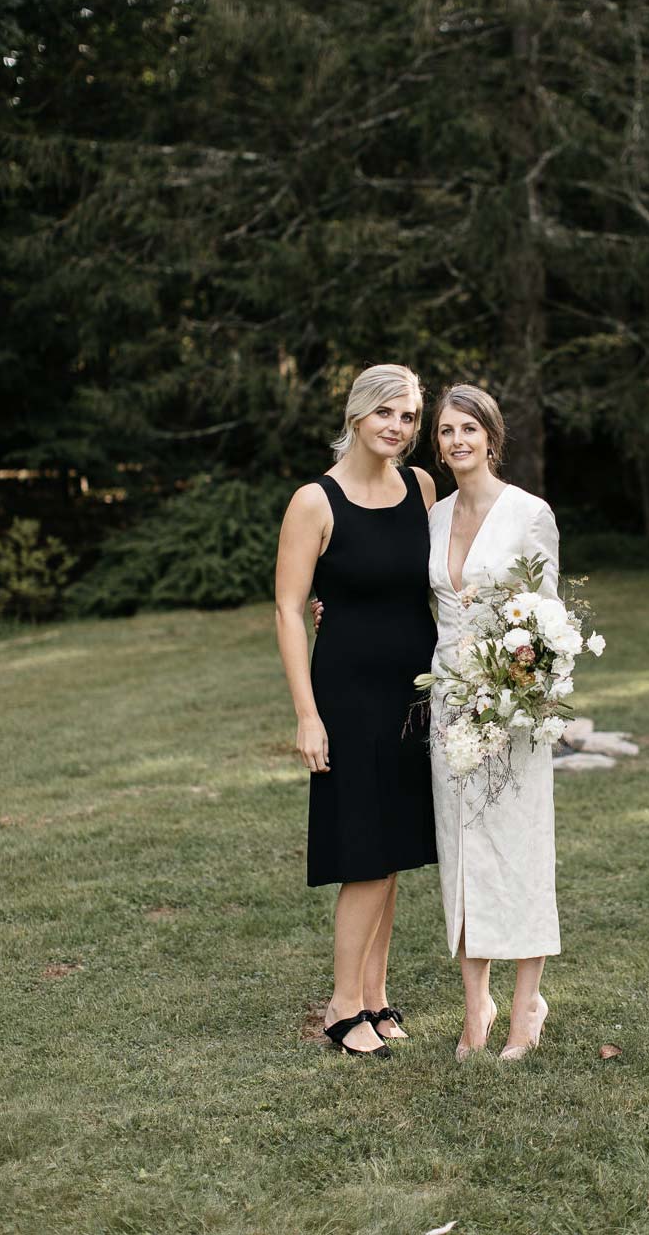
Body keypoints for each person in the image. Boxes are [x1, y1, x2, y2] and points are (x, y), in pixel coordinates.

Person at [272, 363, 438, 1058]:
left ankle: (375, 994)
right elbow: (287, 606)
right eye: (386, 414)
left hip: (415, 691)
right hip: (348, 693)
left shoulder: (423, 487)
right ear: (358, 415)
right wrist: (308, 716)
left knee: (393, 850)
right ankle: (342, 1005)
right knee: (364, 852)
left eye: (409, 416)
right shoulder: (315, 500)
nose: (397, 427)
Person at [425, 384, 560, 1060]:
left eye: (467, 428)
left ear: (491, 435)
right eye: (445, 430)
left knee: (519, 848)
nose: (456, 441)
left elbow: (551, 621)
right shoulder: (434, 514)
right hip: (448, 702)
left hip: (512, 706)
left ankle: (524, 1009)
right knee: (463, 850)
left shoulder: (529, 513)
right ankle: (474, 1006)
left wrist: (519, 695)